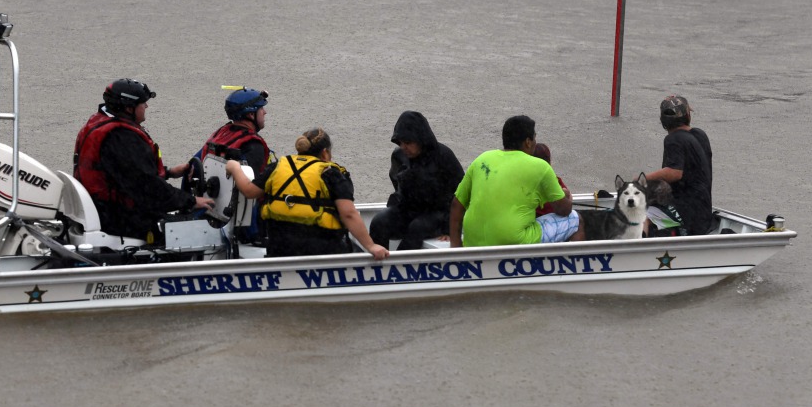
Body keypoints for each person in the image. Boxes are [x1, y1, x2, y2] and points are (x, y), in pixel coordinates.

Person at [73, 78, 214, 239]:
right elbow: (148, 188)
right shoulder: (122, 137)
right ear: (128, 108)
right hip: (120, 219)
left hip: (102, 209)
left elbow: (128, 173)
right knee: (195, 232)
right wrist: (191, 201)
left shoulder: (97, 122)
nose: (146, 106)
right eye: (142, 103)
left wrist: (168, 173)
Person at [226, 127, 389, 260]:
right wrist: (371, 246)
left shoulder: (277, 167)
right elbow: (348, 214)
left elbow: (248, 191)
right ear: (325, 153)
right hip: (322, 250)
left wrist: (235, 167)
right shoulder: (331, 173)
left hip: (280, 248)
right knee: (358, 252)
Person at [449, 115, 574, 248]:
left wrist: (455, 247)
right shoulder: (541, 166)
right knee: (576, 219)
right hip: (513, 240)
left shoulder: (481, 159)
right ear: (528, 142)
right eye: (535, 137)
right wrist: (567, 197)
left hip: (473, 241)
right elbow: (563, 210)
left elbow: (457, 205)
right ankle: (572, 266)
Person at [368, 111, 464, 250]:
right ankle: (380, 264)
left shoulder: (443, 156)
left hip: (438, 213)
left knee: (417, 227)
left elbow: (460, 194)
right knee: (379, 222)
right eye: (400, 143)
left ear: (421, 140)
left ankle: (401, 264)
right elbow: (397, 186)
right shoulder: (399, 156)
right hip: (408, 208)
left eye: (408, 143)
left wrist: (448, 228)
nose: (403, 147)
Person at [643, 94, 714, 236]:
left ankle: (635, 251)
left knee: (638, 215)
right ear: (687, 115)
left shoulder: (673, 139)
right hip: (703, 211)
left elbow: (674, 173)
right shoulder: (700, 135)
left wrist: (642, 179)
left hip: (686, 212)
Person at [197, 87, 274, 176]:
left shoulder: (221, 134)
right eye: (261, 108)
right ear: (251, 114)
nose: (265, 112)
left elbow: (194, 163)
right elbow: (252, 186)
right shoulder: (254, 146)